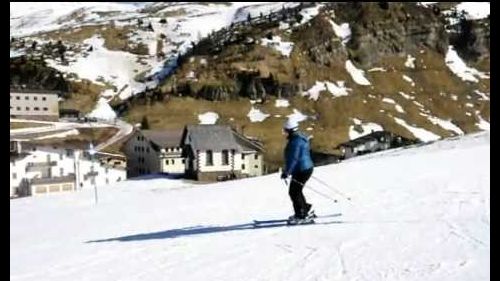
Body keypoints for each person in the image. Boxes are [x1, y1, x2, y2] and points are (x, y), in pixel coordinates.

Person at [280, 118, 314, 222]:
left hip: (301, 169)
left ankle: (301, 214)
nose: (284, 132)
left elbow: (293, 159)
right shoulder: (299, 138)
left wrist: (287, 172)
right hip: (305, 168)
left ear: (290, 130)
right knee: (296, 191)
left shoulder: (295, 142)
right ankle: (305, 208)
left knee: (294, 192)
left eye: (285, 130)